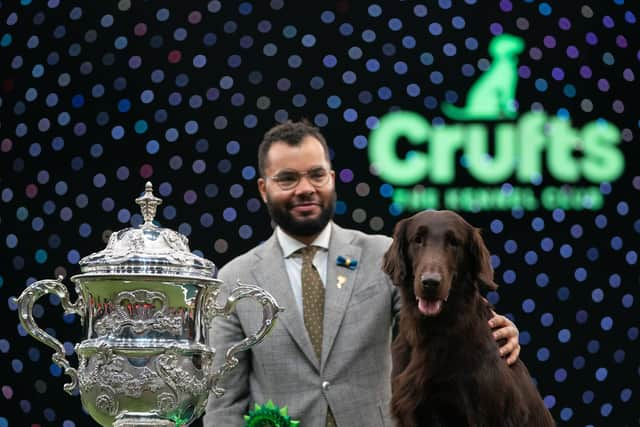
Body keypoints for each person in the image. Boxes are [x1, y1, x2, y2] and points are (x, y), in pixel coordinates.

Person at [203, 120, 520, 427]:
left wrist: (495, 330)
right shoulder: (235, 279)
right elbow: (224, 403)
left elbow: (442, 317)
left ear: (332, 178)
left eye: (316, 175)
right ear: (263, 188)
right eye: (287, 179)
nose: (305, 189)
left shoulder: (382, 255)